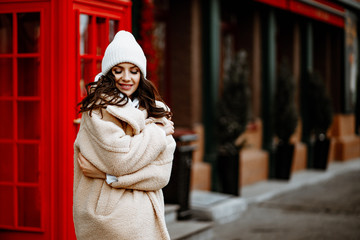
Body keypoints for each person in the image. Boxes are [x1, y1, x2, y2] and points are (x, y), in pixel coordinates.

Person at [73, 30, 176, 240]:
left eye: (134, 71)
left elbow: (160, 175)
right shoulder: (98, 109)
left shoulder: (157, 110)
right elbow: (119, 159)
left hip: (146, 215)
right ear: (109, 74)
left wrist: (106, 176)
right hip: (108, 218)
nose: (126, 78)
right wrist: (157, 134)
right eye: (118, 70)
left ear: (142, 75)